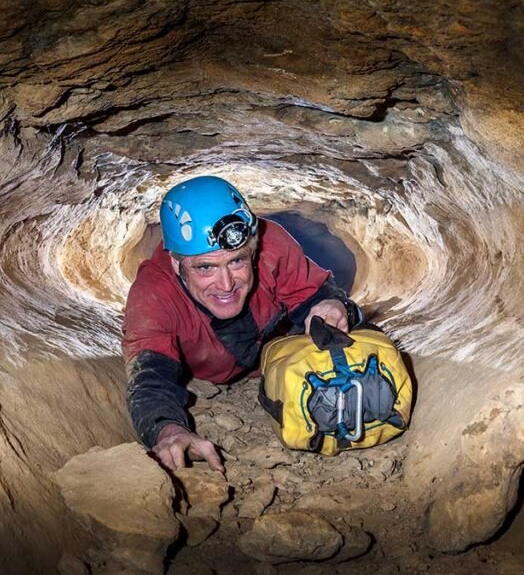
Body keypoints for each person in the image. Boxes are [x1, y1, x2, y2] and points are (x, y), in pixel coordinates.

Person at [122, 176, 363, 472]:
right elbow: (149, 381)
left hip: (276, 342)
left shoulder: (272, 245)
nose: (225, 284)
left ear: (252, 248)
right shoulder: (153, 295)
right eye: (205, 267)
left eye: (237, 261)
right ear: (176, 263)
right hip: (214, 367)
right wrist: (169, 431)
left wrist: (335, 305)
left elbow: (319, 293)